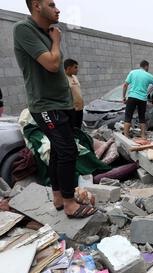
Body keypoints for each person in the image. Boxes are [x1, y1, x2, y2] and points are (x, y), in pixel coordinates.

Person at [14, 0, 98, 218]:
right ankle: (70, 204)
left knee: (59, 151)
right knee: (68, 150)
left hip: (61, 105)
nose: (58, 9)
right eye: (51, 4)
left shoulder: (47, 33)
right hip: (45, 106)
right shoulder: (24, 29)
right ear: (36, 5)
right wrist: (57, 41)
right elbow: (52, 64)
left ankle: (59, 197)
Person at [122, 60, 153, 138]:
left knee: (128, 117)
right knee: (142, 117)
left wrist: (123, 97)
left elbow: (125, 85)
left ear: (140, 65)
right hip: (142, 99)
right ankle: (142, 135)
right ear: (146, 66)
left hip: (132, 97)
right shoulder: (149, 75)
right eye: (148, 67)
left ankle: (126, 136)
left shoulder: (132, 72)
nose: (148, 68)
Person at [64, 59, 84, 129]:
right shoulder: (63, 79)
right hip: (71, 110)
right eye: (75, 67)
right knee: (73, 129)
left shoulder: (75, 77)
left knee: (79, 128)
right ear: (69, 68)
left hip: (80, 109)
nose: (77, 69)